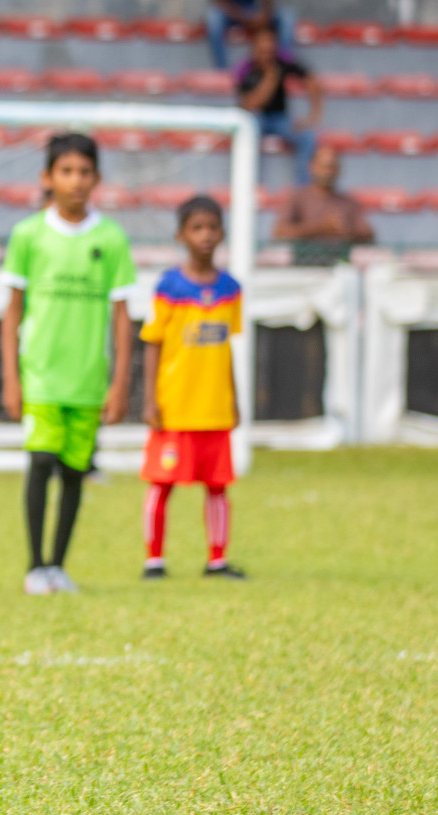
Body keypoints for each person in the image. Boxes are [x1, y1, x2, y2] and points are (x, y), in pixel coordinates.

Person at [0, 133, 136, 596]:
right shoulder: (28, 235)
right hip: (39, 372)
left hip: (87, 378)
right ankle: (35, 566)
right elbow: (12, 311)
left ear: (96, 178)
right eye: (66, 171)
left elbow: (122, 316)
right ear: (48, 177)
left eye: (84, 172)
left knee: (76, 472)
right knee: (41, 462)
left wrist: (120, 384)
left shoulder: (111, 238)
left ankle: (59, 565)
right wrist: (11, 378)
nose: (76, 181)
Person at [140, 196, 247, 581]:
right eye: (197, 228)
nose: (205, 235)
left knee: (218, 487)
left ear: (222, 233)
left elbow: (227, 349)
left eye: (212, 227)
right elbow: (152, 342)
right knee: (162, 484)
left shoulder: (232, 289)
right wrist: (150, 398)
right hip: (176, 406)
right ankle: (154, 560)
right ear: (181, 235)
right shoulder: (169, 285)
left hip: (214, 407)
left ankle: (216, 560)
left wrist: (234, 398)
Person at [236, 26, 320, 185]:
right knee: (249, 129)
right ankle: (250, 182)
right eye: (263, 49)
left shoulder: (282, 62)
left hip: (280, 119)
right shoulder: (245, 68)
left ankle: (302, 185)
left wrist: (314, 115)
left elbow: (311, 81)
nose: (267, 53)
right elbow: (249, 104)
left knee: (307, 136)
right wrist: (270, 78)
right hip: (256, 119)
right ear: (254, 48)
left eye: (270, 49)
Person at [273, 145, 374, 266]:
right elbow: (279, 232)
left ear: (339, 170)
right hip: (302, 264)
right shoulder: (297, 197)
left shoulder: (348, 202)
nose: (327, 172)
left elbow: (368, 234)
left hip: (340, 264)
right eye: (323, 167)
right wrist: (321, 228)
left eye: (331, 167)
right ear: (311, 167)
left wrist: (345, 231)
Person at [207, 0, 295, 70]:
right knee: (213, 20)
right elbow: (220, 2)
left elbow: (268, 3)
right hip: (231, 11)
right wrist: (244, 18)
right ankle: (222, 70)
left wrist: (264, 15)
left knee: (287, 17)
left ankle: (285, 67)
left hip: (256, 9)